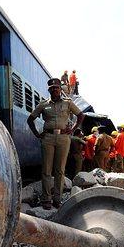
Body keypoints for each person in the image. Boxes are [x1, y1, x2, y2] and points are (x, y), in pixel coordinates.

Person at [28, 78, 84, 209]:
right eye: (52, 88)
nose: (54, 89)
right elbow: (30, 119)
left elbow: (81, 115)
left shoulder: (68, 103)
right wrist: (37, 134)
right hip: (47, 138)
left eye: (57, 87)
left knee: (60, 170)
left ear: (60, 89)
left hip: (64, 138)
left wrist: (73, 129)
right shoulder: (43, 104)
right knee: (46, 170)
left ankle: (57, 199)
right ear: (49, 90)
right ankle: (46, 199)